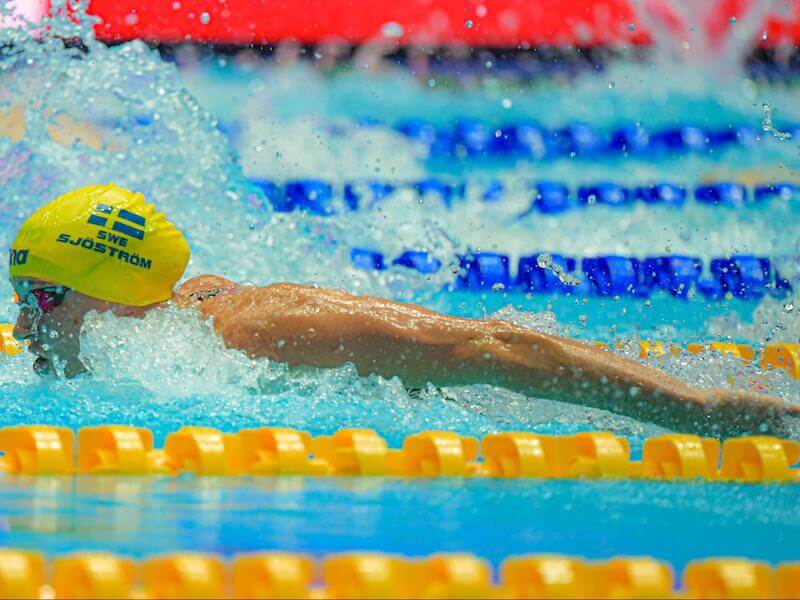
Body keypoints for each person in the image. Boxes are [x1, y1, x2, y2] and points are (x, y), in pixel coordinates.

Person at [9, 184, 798, 437]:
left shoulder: (256, 330)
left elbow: (497, 346)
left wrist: (703, 410)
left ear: (109, 290)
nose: (20, 327)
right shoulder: (163, 328)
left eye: (39, 299)